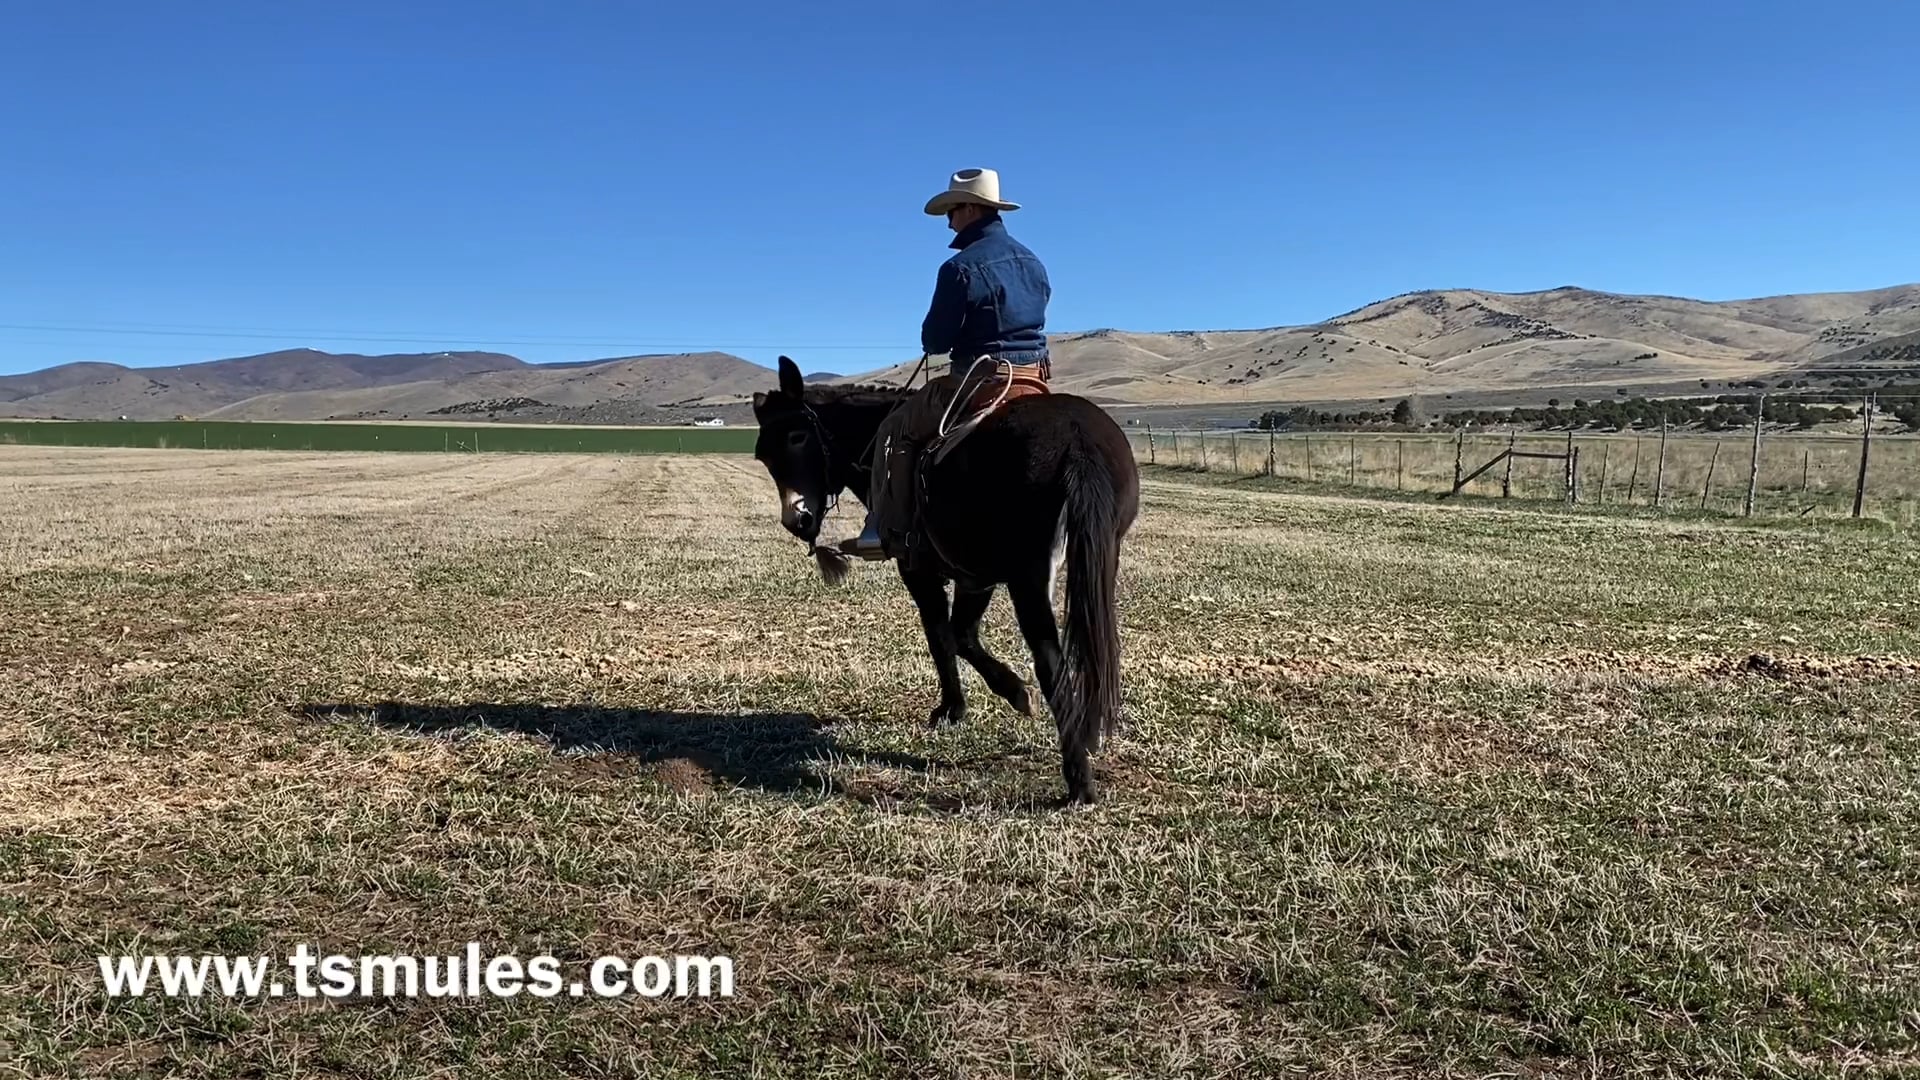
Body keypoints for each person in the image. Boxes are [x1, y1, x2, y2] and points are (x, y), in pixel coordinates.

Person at [839, 167, 1053, 561]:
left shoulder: (958, 268)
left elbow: (936, 341)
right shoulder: (1034, 262)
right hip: (1033, 378)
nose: (949, 221)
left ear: (970, 209)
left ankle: (893, 530)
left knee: (895, 431)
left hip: (978, 383)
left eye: (952, 211)